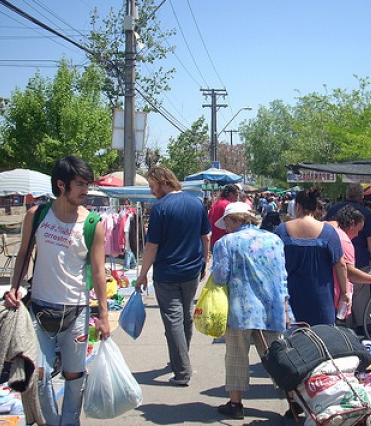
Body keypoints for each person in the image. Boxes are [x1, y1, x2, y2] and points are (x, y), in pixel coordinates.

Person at [4, 155, 111, 426]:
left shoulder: (92, 224)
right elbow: (23, 256)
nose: (86, 190)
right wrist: (13, 289)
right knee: (38, 375)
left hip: (76, 311)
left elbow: (99, 272)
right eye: (80, 184)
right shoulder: (37, 215)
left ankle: (70, 422)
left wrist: (105, 316)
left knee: (75, 375)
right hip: (39, 310)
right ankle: (51, 423)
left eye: (87, 183)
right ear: (61, 184)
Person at [211, 202, 290, 420]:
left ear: (234, 220)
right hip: (271, 309)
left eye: (226, 222)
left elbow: (220, 276)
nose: (225, 227)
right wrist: (285, 306)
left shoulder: (225, 243)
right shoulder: (274, 240)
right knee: (278, 357)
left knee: (236, 355)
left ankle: (236, 404)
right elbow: (282, 276)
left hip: (240, 309)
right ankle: (295, 401)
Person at [135, 166, 210, 386]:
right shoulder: (197, 203)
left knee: (173, 321)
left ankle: (182, 371)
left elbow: (151, 246)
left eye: (152, 186)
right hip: (191, 271)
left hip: (167, 273)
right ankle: (181, 358)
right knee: (185, 317)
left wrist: (142, 274)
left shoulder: (161, 208)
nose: (151, 191)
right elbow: (205, 237)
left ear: (164, 182)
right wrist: (204, 262)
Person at [274, 188, 349, 325]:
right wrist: (344, 292)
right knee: (323, 339)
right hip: (321, 299)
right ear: (315, 208)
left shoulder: (281, 230)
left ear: (297, 207)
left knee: (293, 342)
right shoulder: (329, 232)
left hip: (290, 299)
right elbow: (341, 265)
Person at [324, 183, 371, 328]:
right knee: (360, 297)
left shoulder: (333, 209)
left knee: (340, 294)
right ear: (361, 196)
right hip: (359, 259)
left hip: (333, 259)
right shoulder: (365, 213)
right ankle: (362, 326)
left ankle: (344, 326)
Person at [326, 205, 371, 323]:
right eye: (358, 230)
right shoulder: (343, 240)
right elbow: (348, 271)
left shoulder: (326, 229)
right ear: (352, 223)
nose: (357, 235)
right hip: (332, 297)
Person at [208, 184, 239, 250]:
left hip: (214, 241)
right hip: (225, 242)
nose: (237, 197)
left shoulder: (215, 203)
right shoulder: (229, 206)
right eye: (236, 195)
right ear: (231, 194)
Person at [119, 198, 137, 270]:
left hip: (131, 232)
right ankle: (133, 264)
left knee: (127, 248)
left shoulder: (133, 212)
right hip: (125, 231)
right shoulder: (121, 212)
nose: (125, 206)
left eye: (127, 204)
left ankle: (126, 266)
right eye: (124, 204)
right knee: (128, 248)